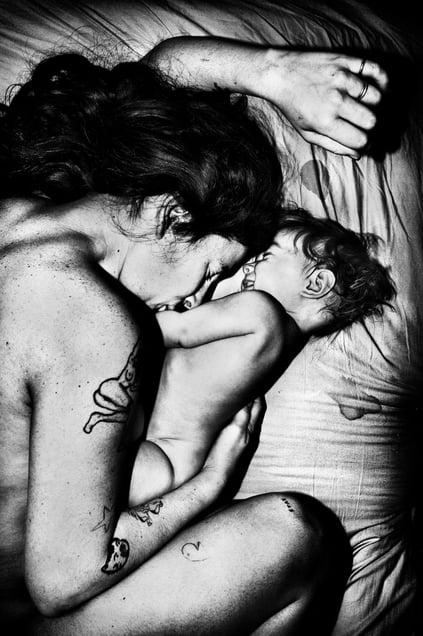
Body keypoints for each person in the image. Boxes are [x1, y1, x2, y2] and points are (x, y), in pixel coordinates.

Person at [0, 37, 387, 635]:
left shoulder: (28, 202)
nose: (194, 296)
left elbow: (148, 88)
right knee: (298, 533)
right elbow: (65, 581)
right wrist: (210, 486)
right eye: (211, 270)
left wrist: (273, 72)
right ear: (174, 211)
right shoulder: (92, 320)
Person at [131, 208, 394, 503]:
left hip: (154, 455)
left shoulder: (259, 311)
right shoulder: (279, 346)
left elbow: (173, 330)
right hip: (169, 464)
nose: (248, 267)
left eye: (266, 256)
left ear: (316, 283)